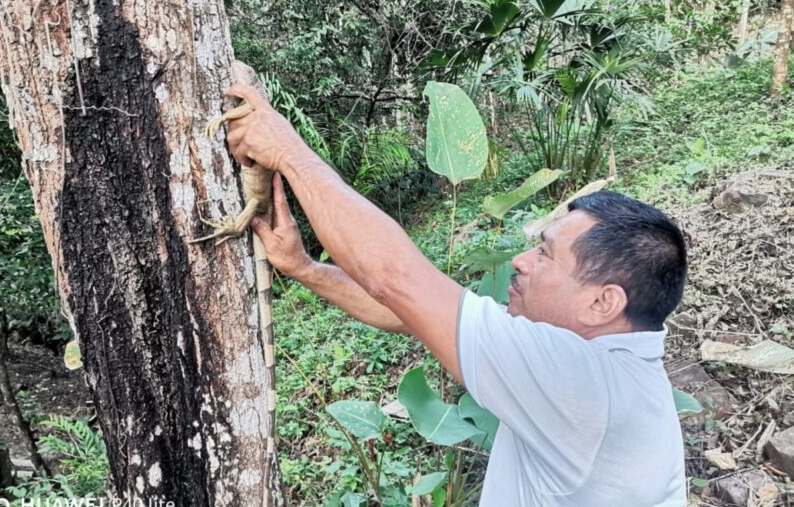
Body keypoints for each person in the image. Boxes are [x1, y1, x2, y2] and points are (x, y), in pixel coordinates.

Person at [223, 85, 689, 506]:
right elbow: (407, 310)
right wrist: (304, 267)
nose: (523, 261)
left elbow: (396, 278)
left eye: (545, 255)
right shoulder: (616, 372)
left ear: (602, 302)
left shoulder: (583, 381)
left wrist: (286, 150)